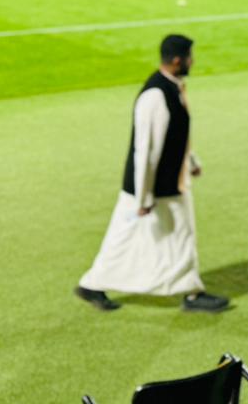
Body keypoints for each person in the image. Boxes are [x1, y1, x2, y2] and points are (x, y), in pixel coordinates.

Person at [75, 34, 229, 314]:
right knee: (171, 235)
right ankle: (191, 295)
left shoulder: (173, 88)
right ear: (177, 60)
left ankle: (92, 285)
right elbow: (145, 150)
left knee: (135, 236)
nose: (193, 62)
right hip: (157, 188)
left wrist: (191, 160)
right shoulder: (156, 96)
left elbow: (177, 135)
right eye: (190, 57)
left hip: (159, 185)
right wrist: (144, 198)